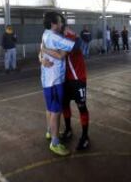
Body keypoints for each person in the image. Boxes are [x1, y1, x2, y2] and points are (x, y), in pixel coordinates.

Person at [42, 25, 90, 151]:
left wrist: (45, 50)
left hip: (78, 79)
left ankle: (85, 137)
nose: (61, 29)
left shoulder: (72, 38)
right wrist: (42, 58)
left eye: (64, 27)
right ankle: (68, 129)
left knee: (82, 107)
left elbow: (68, 50)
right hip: (64, 79)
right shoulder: (55, 38)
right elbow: (42, 49)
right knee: (64, 105)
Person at [39, 12, 77, 156]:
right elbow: (72, 46)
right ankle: (55, 143)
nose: (62, 24)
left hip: (46, 79)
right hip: (55, 80)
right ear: (53, 24)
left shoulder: (45, 34)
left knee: (50, 109)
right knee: (56, 111)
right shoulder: (54, 37)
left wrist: (43, 54)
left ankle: (50, 131)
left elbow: (41, 49)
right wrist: (71, 34)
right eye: (60, 22)